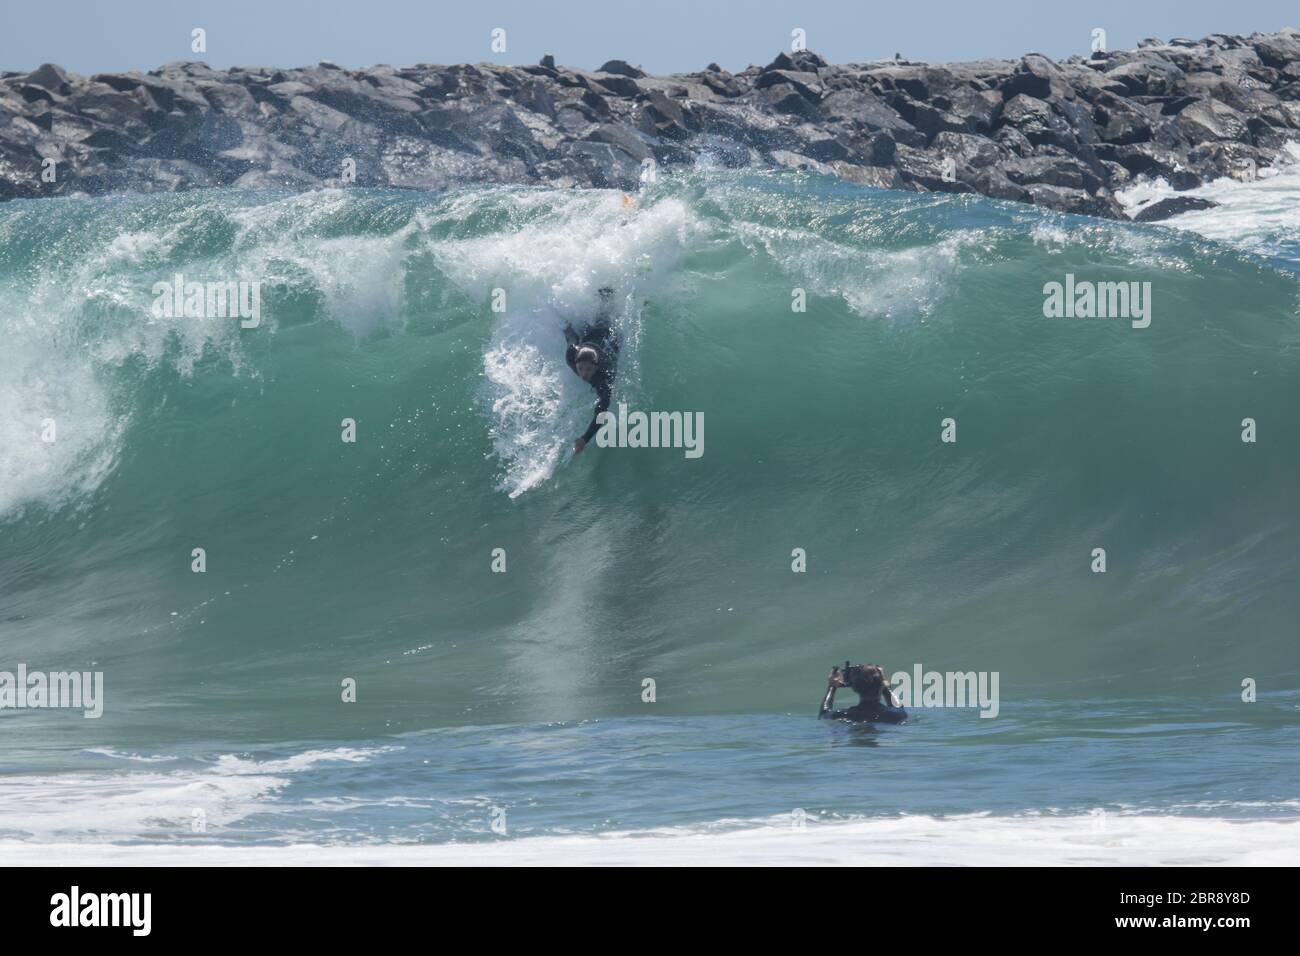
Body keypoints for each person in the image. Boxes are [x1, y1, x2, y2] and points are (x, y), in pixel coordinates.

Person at [563, 287, 621, 456]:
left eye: (588, 369)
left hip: (607, 337)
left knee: (606, 319)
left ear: (596, 366)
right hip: (588, 338)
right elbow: (571, 337)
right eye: (581, 368)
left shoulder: (603, 377)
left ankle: (608, 297)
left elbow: (602, 412)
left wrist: (584, 439)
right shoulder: (571, 355)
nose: (584, 374)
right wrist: (566, 327)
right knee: (585, 326)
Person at [819, 662, 907, 724]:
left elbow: (824, 714)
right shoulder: (897, 715)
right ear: (881, 685)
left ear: (854, 688)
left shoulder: (844, 715)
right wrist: (885, 684)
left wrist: (832, 686)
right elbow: (898, 707)